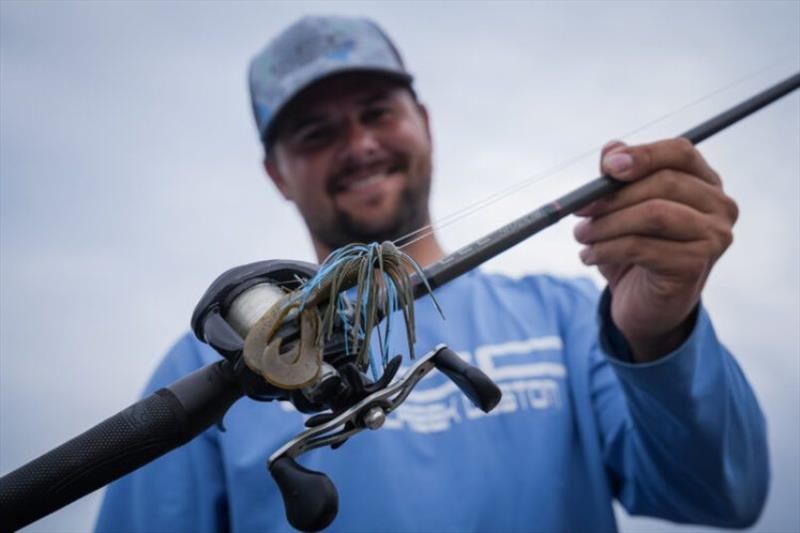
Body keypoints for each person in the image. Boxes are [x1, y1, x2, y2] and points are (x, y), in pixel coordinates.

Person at [96, 15, 768, 532]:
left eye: (378, 113)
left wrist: (661, 330)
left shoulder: (568, 317)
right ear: (278, 174)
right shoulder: (204, 364)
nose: (359, 145)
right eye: (316, 134)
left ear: (426, 124)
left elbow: (724, 495)